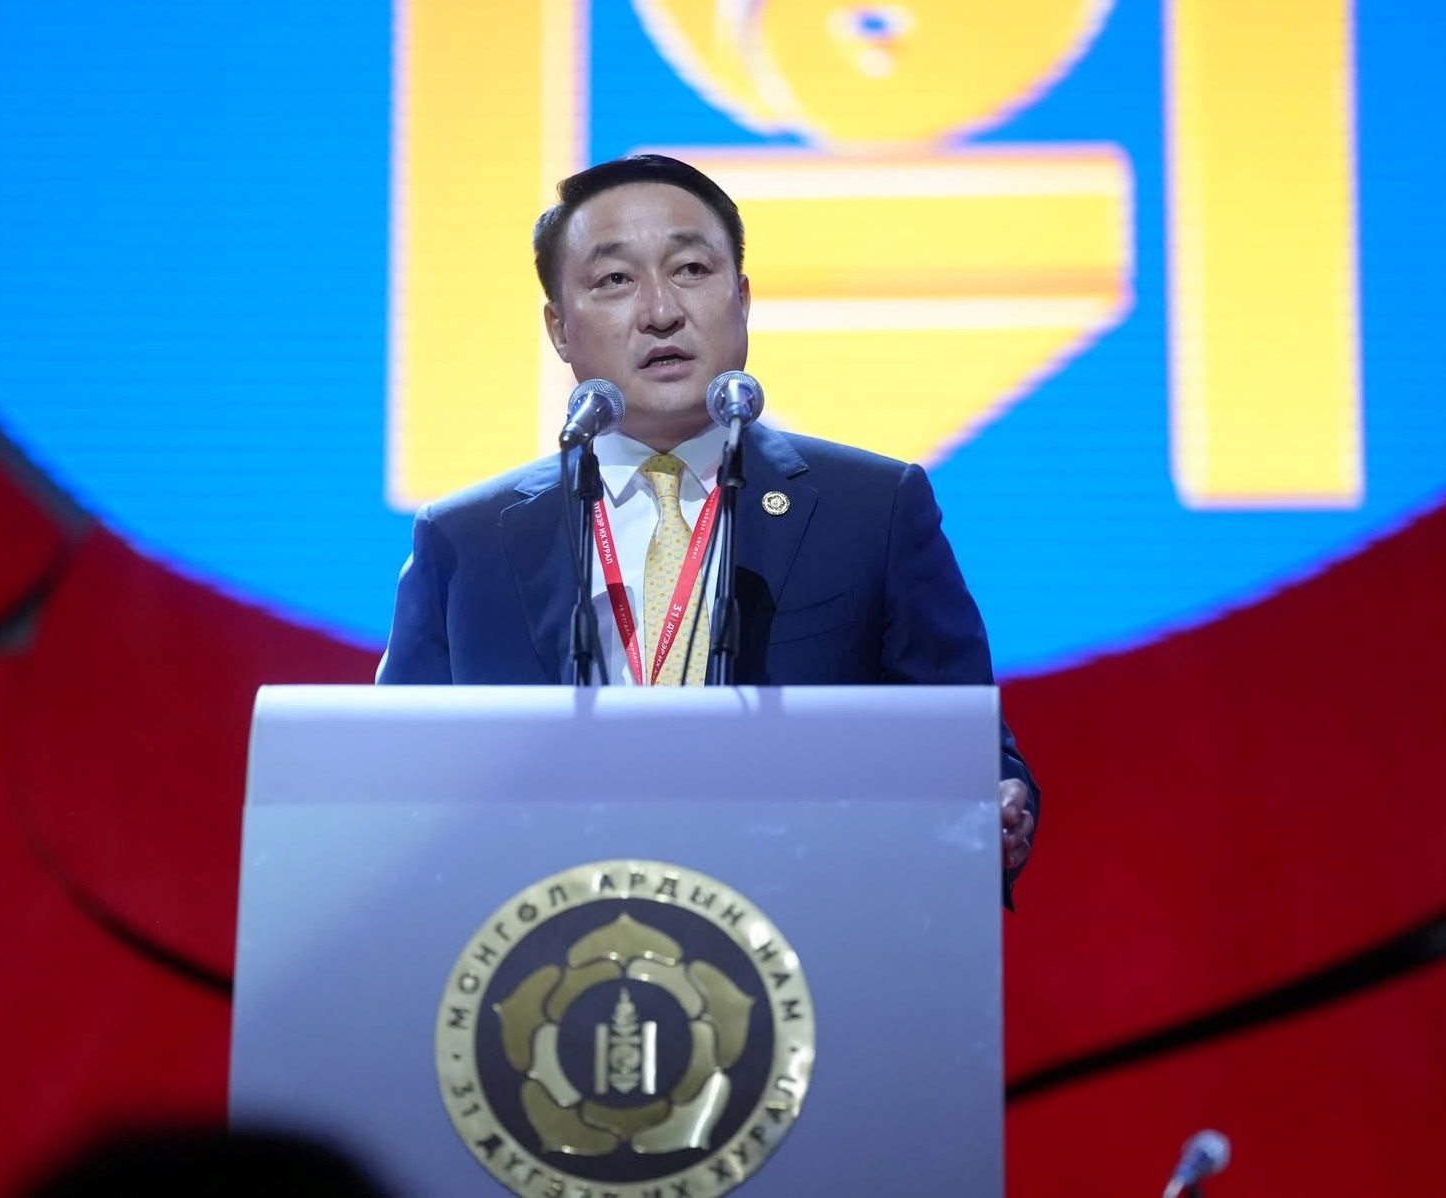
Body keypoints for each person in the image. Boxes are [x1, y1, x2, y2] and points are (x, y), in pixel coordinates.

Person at [377, 154, 1037, 896]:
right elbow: (392, 782)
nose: (660, 311)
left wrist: (997, 803)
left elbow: (968, 752)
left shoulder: (871, 509)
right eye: (614, 280)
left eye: (691, 269)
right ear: (559, 328)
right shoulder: (467, 542)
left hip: (808, 920)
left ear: (742, 298)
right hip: (540, 926)